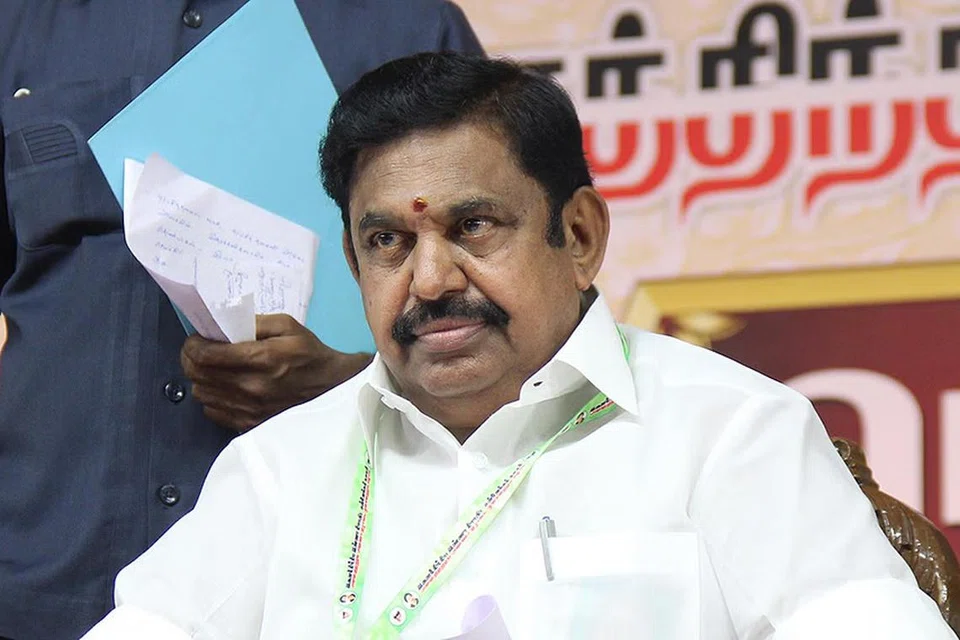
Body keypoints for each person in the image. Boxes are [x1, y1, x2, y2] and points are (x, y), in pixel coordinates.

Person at [80, 53, 955, 639]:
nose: (429, 281)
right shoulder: (281, 468)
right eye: (388, 242)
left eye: (473, 227)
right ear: (353, 262)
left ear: (579, 236)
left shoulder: (730, 433)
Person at [0, 4, 482, 639]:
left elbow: (509, 315)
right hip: (46, 578)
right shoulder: (22, 21)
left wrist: (351, 383)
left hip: (325, 585)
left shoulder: (405, 23)